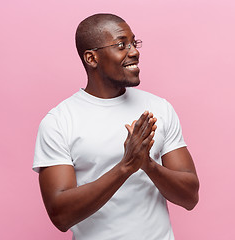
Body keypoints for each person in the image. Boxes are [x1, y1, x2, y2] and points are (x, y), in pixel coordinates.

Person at [33, 13, 199, 240]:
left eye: (134, 43)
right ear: (92, 58)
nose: (134, 51)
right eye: (122, 45)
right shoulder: (59, 121)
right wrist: (126, 167)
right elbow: (61, 216)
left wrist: (148, 164)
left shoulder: (159, 108)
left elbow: (190, 196)